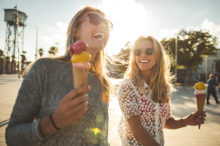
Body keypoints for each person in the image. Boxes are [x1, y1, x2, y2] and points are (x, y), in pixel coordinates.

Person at [6, 6, 113, 146]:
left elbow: (101, 139)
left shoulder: (102, 82)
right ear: (75, 31)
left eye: (108, 23)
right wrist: (53, 122)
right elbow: (12, 136)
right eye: (95, 19)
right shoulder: (44, 69)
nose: (103, 25)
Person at [118, 36, 206, 146]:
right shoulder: (128, 86)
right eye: (137, 51)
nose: (142, 55)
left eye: (149, 51)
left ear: (158, 55)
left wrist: (185, 121)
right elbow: (136, 128)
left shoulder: (164, 88)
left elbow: (165, 122)